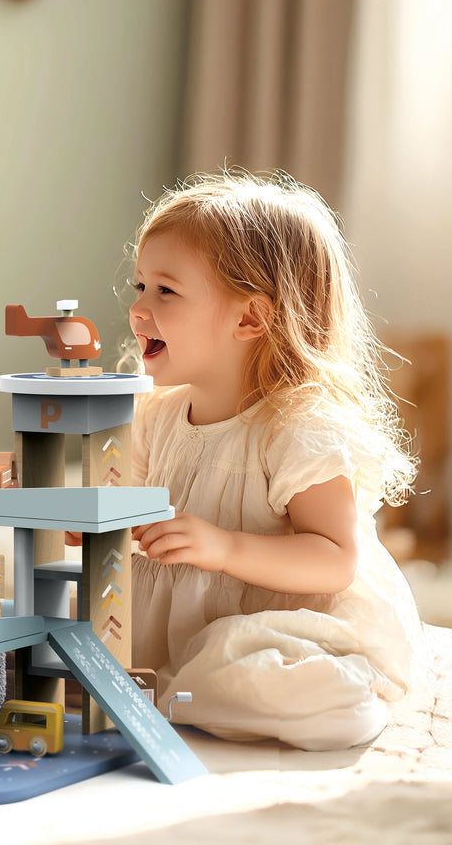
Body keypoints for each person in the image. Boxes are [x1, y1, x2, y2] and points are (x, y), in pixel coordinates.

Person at [119, 169, 423, 751]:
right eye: (139, 286)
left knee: (250, 674)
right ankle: (176, 687)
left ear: (250, 319)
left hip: (284, 623)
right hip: (179, 622)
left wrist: (226, 547)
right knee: (40, 631)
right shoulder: (154, 415)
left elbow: (334, 559)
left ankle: (338, 692)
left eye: (165, 291)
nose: (138, 309)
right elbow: (128, 515)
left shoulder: (299, 428)